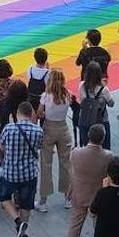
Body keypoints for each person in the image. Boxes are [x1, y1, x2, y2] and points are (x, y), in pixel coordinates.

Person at [61, 123, 114, 237]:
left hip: (79, 194)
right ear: (103, 138)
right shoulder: (108, 156)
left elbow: (72, 171)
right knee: (99, 229)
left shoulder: (76, 153)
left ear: (89, 136)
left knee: (75, 227)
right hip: (98, 198)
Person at [0, 100, 44, 237]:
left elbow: (1, 145)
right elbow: (39, 147)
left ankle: (18, 222)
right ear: (31, 114)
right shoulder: (38, 131)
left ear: (17, 114)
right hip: (29, 173)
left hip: (10, 172)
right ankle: (21, 233)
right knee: (26, 204)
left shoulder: (9, 128)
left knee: (4, 196)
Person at [37, 69, 73, 211]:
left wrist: (45, 112)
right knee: (66, 163)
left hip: (49, 128)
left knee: (45, 163)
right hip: (63, 128)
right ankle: (67, 198)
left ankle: (43, 201)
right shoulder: (67, 95)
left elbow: (40, 113)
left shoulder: (46, 96)